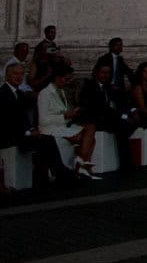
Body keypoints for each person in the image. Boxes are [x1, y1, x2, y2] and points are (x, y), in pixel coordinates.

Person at [1, 59, 67, 190]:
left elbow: (23, 119)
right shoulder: (2, 94)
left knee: (46, 138)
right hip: (8, 136)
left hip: (20, 134)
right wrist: (29, 132)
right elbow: (6, 122)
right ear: (7, 76)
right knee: (45, 140)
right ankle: (57, 173)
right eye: (15, 74)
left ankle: (53, 173)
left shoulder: (19, 94)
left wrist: (31, 129)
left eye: (21, 74)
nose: (19, 77)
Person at [77, 62, 137, 174]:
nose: (106, 75)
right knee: (122, 126)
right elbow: (101, 108)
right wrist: (123, 117)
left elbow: (122, 102)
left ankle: (127, 162)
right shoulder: (90, 88)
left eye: (108, 73)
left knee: (129, 123)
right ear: (96, 73)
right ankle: (126, 164)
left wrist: (130, 112)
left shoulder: (110, 87)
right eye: (103, 72)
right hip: (96, 118)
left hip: (110, 117)